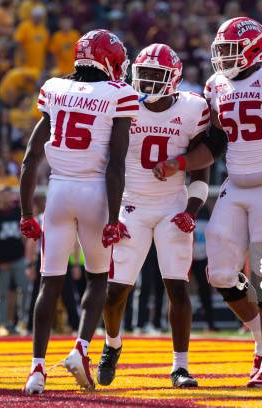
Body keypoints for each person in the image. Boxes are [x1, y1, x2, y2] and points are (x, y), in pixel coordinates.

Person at [154, 17, 262, 387]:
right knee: (219, 273)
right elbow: (215, 143)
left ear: (253, 48)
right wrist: (180, 164)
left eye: (230, 50)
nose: (223, 58)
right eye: (221, 50)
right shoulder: (217, 85)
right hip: (236, 184)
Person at [19, 29, 137, 394]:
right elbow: (116, 165)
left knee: (49, 282)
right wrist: (114, 219)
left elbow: (29, 160)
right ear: (107, 60)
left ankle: (37, 369)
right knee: (98, 277)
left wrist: (26, 212)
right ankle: (81, 350)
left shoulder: (55, 88)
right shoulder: (118, 95)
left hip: (58, 191)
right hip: (95, 193)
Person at [97, 44, 210, 388]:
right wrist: (111, 212)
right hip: (131, 205)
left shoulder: (193, 109)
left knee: (177, 287)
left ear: (173, 78)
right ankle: (112, 345)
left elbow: (201, 168)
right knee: (116, 291)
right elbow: (110, 163)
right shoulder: (125, 103)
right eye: (142, 74)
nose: (146, 81)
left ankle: (180, 366)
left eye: (154, 75)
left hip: (172, 205)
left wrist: (192, 211)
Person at [0, 186, 28, 336]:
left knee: (24, 289)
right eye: (5, 193)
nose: (8, 196)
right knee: (1, 294)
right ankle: (2, 325)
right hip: (2, 261)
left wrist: (27, 257)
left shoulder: (18, 212)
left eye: (9, 193)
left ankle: (23, 322)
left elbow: (24, 235)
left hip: (19, 258)